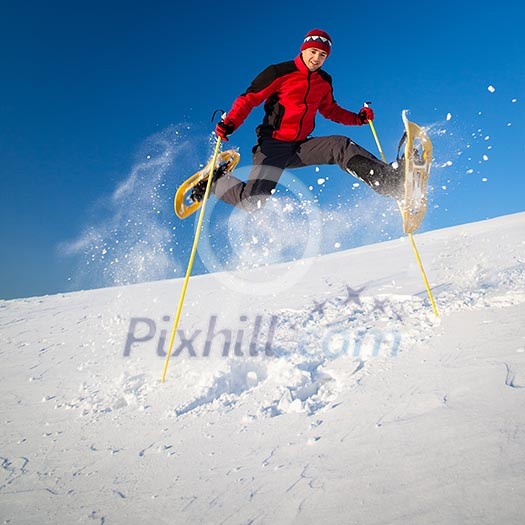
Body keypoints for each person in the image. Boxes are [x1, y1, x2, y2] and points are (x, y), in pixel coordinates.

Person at [198, 29, 403, 212]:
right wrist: (231, 122)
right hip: (272, 146)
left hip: (300, 146)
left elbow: (330, 110)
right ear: (303, 49)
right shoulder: (279, 72)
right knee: (254, 203)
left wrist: (358, 119)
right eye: (313, 51)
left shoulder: (323, 81)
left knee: (339, 145)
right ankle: (216, 182)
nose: (316, 58)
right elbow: (249, 99)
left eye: (322, 54)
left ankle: (389, 181)